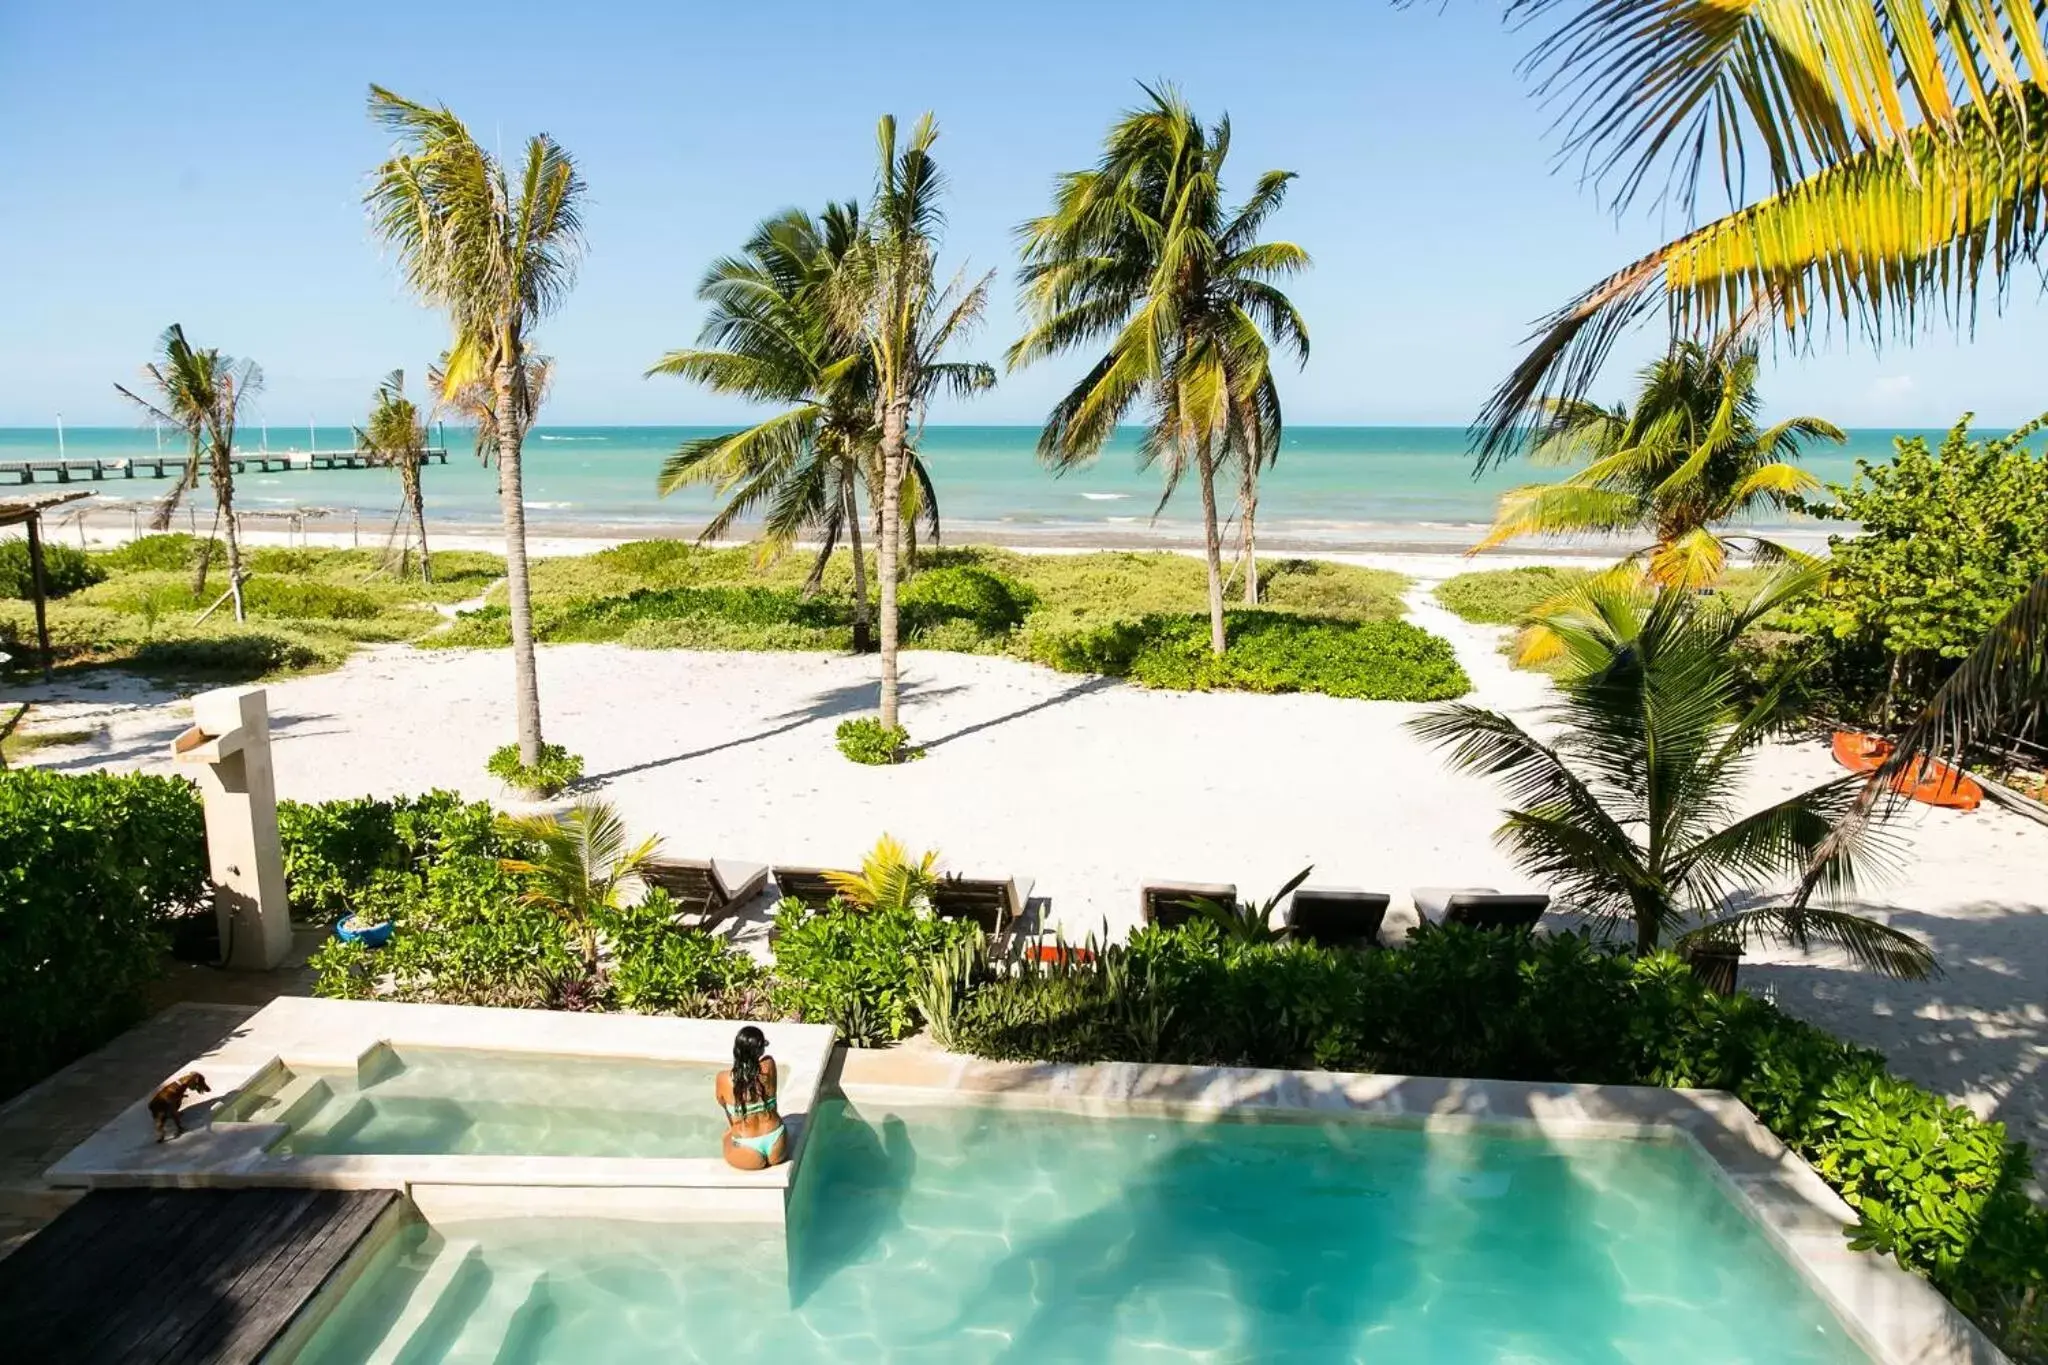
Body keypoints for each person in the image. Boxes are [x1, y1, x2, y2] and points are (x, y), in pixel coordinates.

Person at [715, 1025, 787, 1169]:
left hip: (746, 1146)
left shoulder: (724, 1078)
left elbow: (722, 1103)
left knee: (725, 1136)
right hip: (777, 1141)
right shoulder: (769, 1065)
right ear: (760, 1050)